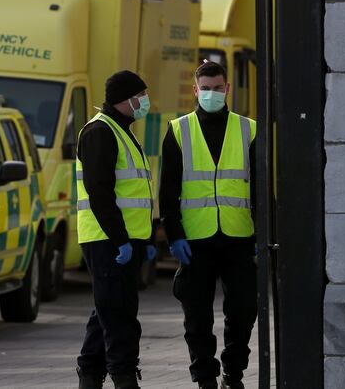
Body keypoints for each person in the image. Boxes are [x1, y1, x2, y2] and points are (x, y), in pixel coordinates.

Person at [160, 61, 257, 389]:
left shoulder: (248, 129)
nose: (212, 94)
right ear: (195, 89)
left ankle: (234, 371)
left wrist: (264, 234)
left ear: (228, 88)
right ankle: (204, 378)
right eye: (206, 88)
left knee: (243, 310)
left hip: (238, 236)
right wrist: (173, 235)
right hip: (195, 239)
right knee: (197, 315)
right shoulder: (178, 130)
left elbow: (260, 186)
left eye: (218, 88)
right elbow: (168, 190)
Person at [75, 70, 157, 389]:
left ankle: (90, 376)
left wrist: (144, 238)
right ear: (127, 99)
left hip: (125, 241)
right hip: (107, 240)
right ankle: (124, 378)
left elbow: (132, 192)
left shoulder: (121, 130)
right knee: (119, 316)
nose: (145, 101)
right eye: (142, 95)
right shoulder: (100, 132)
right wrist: (120, 239)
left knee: (106, 312)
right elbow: (100, 191)